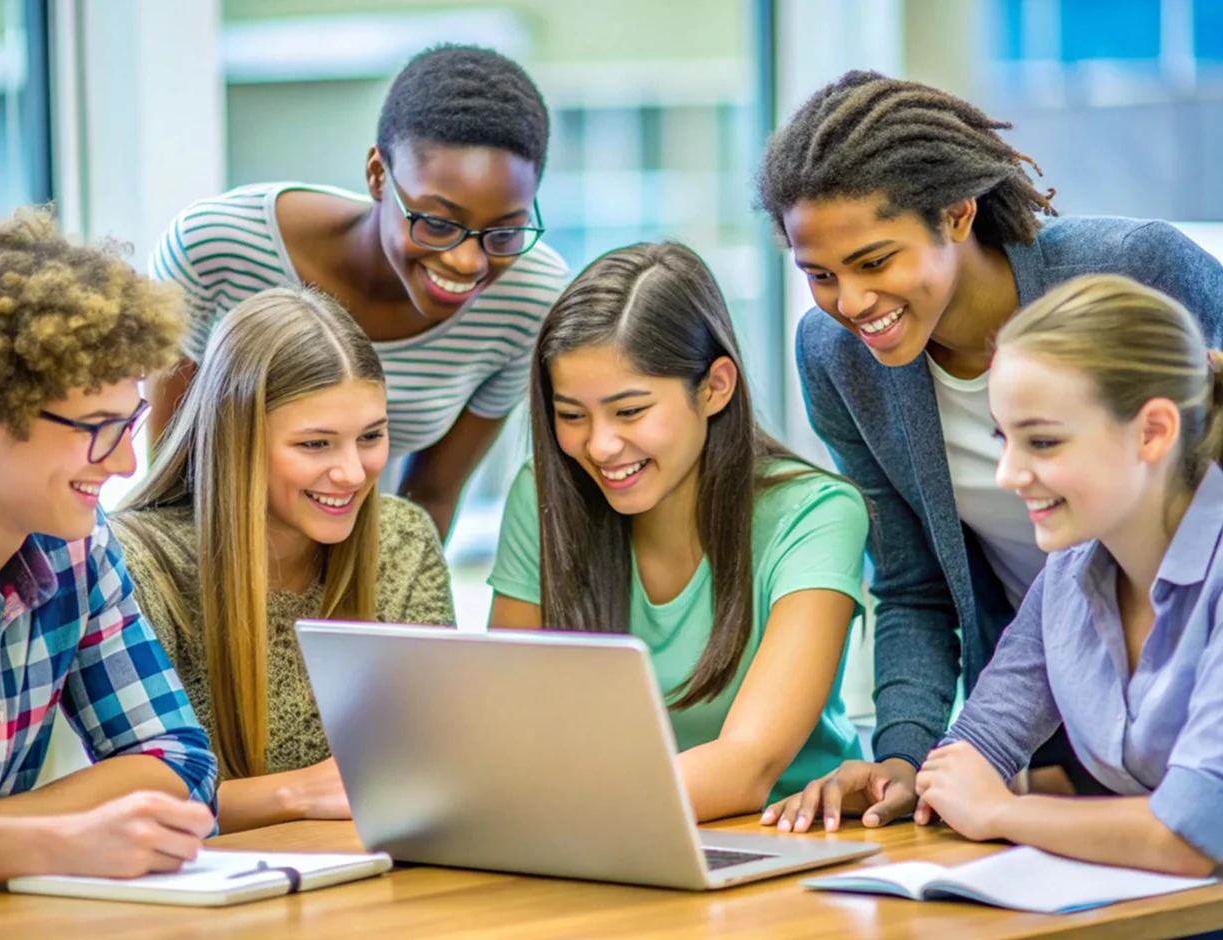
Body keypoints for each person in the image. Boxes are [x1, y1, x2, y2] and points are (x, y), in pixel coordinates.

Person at [755, 70, 1223, 833]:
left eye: (875, 262)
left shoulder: (1133, 271)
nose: (849, 303)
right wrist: (902, 760)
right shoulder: (838, 358)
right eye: (819, 276)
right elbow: (914, 585)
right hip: (1061, 716)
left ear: (958, 213)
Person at [488, 241, 869, 822]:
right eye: (571, 415)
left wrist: (537, 810)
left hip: (791, 840)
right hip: (605, 837)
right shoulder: (543, 496)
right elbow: (510, 723)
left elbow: (749, 768)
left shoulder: (816, 513)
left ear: (715, 386)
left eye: (630, 411)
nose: (599, 445)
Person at [0, 208, 217, 886]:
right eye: (99, 427)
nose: (128, 463)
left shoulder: (77, 545)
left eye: (130, 423)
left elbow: (179, 761)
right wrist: (49, 843)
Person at [148, 44, 570, 539]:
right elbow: (169, 477)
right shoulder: (215, 249)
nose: (468, 261)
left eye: (504, 232)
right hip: (212, 556)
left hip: (360, 562)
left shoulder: (530, 298)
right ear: (377, 174)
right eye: (437, 223)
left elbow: (429, 500)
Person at [912, 274, 1223, 877]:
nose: (1007, 474)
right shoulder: (1074, 565)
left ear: (1153, 431)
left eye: (1044, 442)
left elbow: (1195, 833)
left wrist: (1003, 812)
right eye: (1004, 439)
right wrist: (964, 788)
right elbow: (973, 750)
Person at [112, 287, 454, 834]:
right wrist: (297, 793)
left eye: (371, 436)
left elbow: (437, 765)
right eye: (315, 445)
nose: (351, 472)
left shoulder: (403, 539)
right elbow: (123, 807)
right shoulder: (133, 563)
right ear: (235, 439)